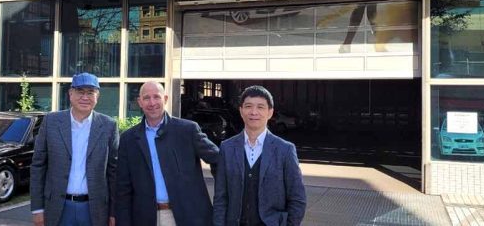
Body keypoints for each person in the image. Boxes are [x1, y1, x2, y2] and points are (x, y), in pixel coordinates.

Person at [115, 81, 220, 226]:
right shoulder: (129, 139)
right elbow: (122, 188)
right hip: (145, 218)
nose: (152, 103)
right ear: (139, 102)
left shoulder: (187, 130)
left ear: (165, 99)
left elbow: (219, 160)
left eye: (156, 97)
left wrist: (222, 198)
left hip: (187, 217)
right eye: (146, 98)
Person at [30, 72, 119, 226]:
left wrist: (113, 212)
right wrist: (37, 209)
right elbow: (38, 166)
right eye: (80, 91)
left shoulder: (109, 126)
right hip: (58, 207)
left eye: (90, 92)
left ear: (97, 96)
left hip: (95, 210)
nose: (85, 97)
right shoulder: (51, 122)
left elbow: (114, 172)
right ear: (70, 94)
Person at [213, 85, 306, 226]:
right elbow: (221, 197)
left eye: (260, 107)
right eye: (248, 106)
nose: (254, 112)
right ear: (241, 111)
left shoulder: (285, 150)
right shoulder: (227, 148)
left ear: (270, 112)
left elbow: (297, 199)